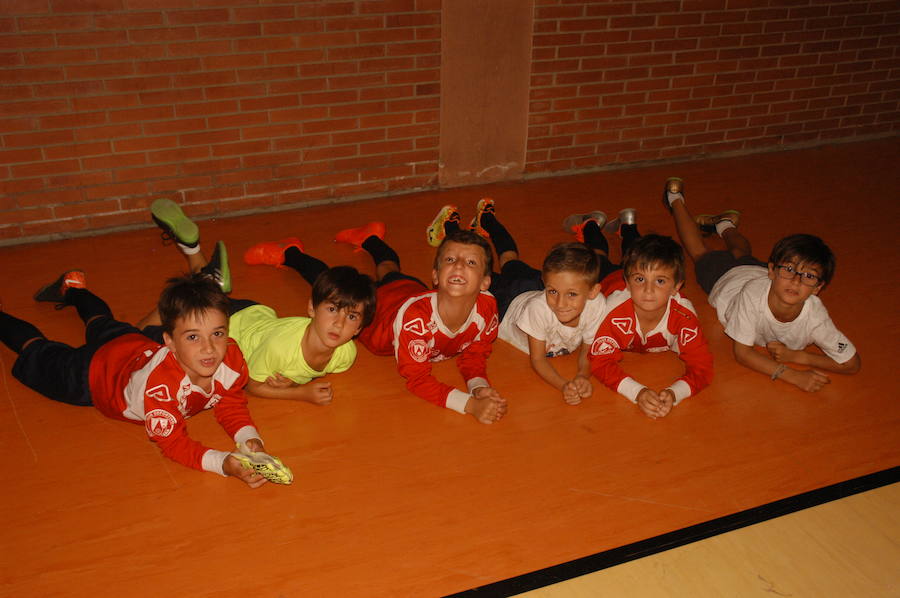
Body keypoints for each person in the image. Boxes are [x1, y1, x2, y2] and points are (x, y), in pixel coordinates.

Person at [0, 271, 275, 487]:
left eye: (217, 334)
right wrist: (223, 463)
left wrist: (249, 438)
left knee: (99, 321)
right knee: (38, 351)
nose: (209, 348)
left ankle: (73, 287)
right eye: (193, 337)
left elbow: (230, 401)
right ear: (169, 342)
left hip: (130, 344)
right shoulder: (161, 389)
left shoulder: (232, 356)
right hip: (94, 375)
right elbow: (174, 444)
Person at [144, 199, 376, 406]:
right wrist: (300, 392)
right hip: (229, 324)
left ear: (359, 329)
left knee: (205, 291)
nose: (338, 323)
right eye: (333, 309)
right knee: (142, 332)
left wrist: (293, 379)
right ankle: (186, 294)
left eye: (352, 317)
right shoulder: (280, 347)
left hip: (257, 314)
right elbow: (251, 385)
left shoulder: (346, 355)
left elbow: (306, 366)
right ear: (311, 308)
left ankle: (195, 256)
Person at [662, 177, 860, 391]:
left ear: (818, 288)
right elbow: (743, 353)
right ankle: (675, 199)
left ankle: (724, 225)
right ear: (772, 270)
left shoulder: (815, 315)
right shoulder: (752, 295)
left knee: (741, 253)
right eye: (790, 270)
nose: (796, 280)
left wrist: (800, 357)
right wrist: (792, 375)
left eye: (808, 276)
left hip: (755, 271)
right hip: (727, 280)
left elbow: (851, 363)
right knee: (701, 254)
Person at [335, 215, 507, 424]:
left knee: (389, 270)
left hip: (410, 290)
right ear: (435, 275)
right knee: (338, 290)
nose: (459, 266)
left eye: (471, 262)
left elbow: (475, 351)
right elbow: (418, 379)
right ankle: (292, 254)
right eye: (450, 259)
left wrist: (478, 387)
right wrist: (470, 405)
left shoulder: (487, 306)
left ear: (485, 282)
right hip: (379, 314)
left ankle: (370, 238)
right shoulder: (414, 320)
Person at [465, 199, 613, 405]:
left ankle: (485, 221)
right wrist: (563, 385)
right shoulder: (540, 309)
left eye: (572, 295)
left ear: (593, 291)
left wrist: (582, 376)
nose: (561, 304)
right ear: (546, 281)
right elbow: (537, 359)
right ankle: (485, 220)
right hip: (508, 302)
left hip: (537, 289)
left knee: (509, 262)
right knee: (489, 270)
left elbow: (589, 350)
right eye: (553, 292)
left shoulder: (597, 304)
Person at [588, 233, 714, 418]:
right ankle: (592, 225)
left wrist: (674, 393)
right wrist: (637, 392)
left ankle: (628, 227)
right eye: (639, 279)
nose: (648, 290)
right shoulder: (612, 312)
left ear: (677, 287)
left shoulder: (685, 318)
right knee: (598, 259)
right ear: (628, 283)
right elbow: (599, 361)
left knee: (637, 253)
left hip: (627, 273)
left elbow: (702, 366)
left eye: (660, 281)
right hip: (609, 279)